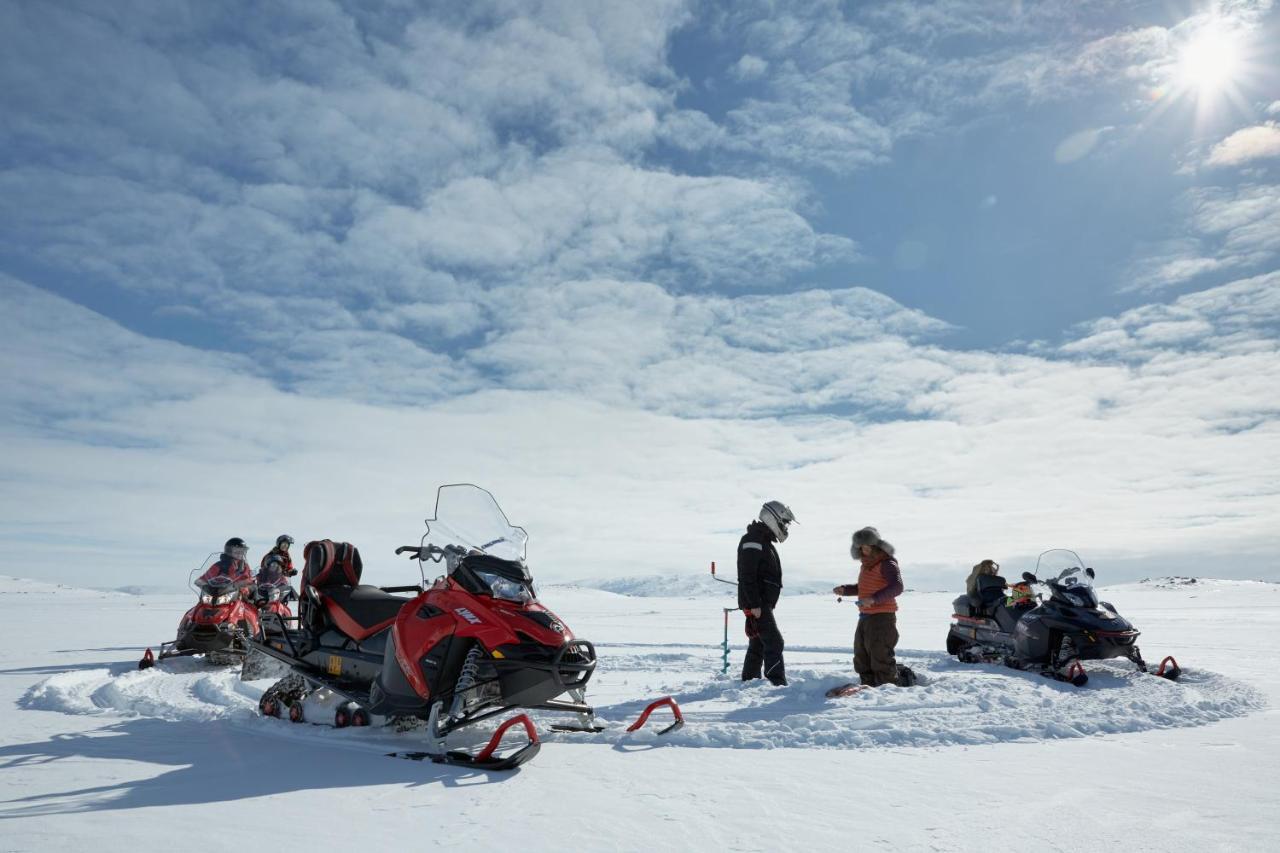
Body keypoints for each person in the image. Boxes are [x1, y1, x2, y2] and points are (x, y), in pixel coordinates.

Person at [832, 526, 903, 687]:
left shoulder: (887, 563)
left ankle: (887, 690)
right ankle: (868, 688)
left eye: (868, 546)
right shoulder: (866, 565)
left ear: (876, 545)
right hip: (865, 617)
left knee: (880, 656)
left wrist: (873, 599)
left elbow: (897, 586)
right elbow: (864, 587)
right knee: (861, 656)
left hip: (882, 617)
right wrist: (846, 590)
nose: (864, 550)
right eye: (861, 547)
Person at [738, 500, 796, 686]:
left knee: (759, 643)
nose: (785, 526)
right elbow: (748, 574)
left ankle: (749, 682)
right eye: (784, 522)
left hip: (762, 603)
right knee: (775, 642)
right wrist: (754, 603)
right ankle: (776, 684)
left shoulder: (761, 540)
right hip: (758, 603)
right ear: (773, 517)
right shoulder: (753, 540)